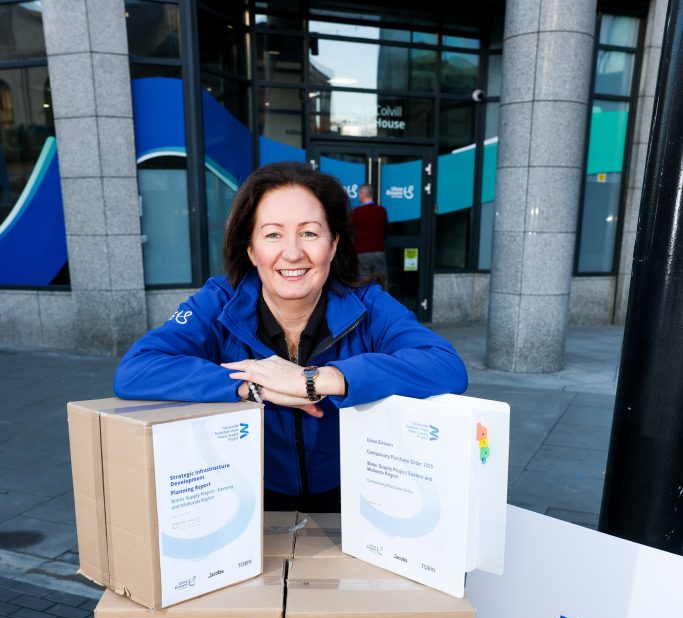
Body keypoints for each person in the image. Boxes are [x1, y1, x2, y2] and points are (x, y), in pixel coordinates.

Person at [114, 161, 467, 512]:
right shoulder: (219, 299)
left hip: (352, 492)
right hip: (248, 491)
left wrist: (318, 380)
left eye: (310, 233)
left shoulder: (366, 303)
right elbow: (136, 369)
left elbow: (446, 365)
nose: (293, 252)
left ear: (332, 245)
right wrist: (251, 384)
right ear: (252, 250)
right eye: (273, 234)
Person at [350, 183, 388, 286]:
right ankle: (382, 301)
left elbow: (350, 233)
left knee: (363, 281)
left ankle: (365, 301)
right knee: (381, 280)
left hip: (362, 253)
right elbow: (385, 231)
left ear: (363, 194)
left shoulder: (356, 212)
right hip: (378, 251)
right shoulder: (381, 211)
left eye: (359, 193)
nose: (358, 196)